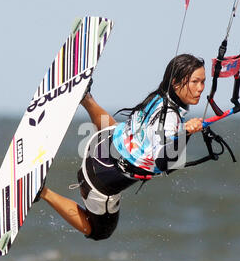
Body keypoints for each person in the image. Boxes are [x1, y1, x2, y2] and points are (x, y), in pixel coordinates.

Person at [35, 54, 206, 241]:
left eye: (203, 82)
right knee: (100, 232)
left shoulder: (158, 97)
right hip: (98, 179)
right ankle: (42, 191)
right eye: (195, 82)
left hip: (101, 145)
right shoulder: (171, 119)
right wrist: (186, 133)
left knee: (126, 133)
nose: (201, 88)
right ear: (175, 83)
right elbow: (165, 163)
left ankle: (85, 97)